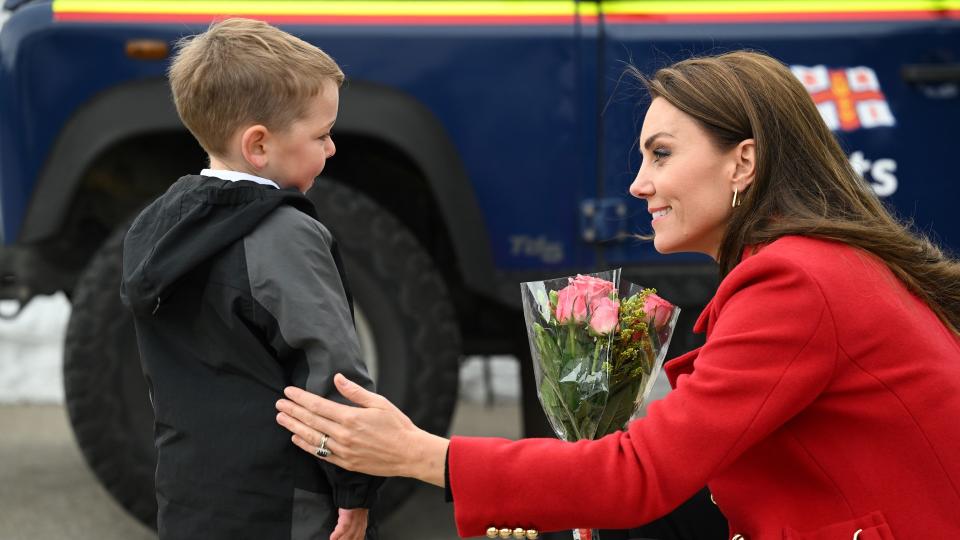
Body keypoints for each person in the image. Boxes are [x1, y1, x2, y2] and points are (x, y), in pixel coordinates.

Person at [274, 50, 960, 539]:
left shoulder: (796, 281)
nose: (638, 183)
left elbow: (640, 477)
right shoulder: (810, 265)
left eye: (661, 154)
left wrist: (419, 453)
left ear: (742, 162)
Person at [120, 18, 380, 540]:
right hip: (285, 504)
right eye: (322, 135)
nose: (331, 149)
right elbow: (332, 371)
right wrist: (354, 489)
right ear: (258, 145)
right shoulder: (283, 234)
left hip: (189, 495)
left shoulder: (153, 226)